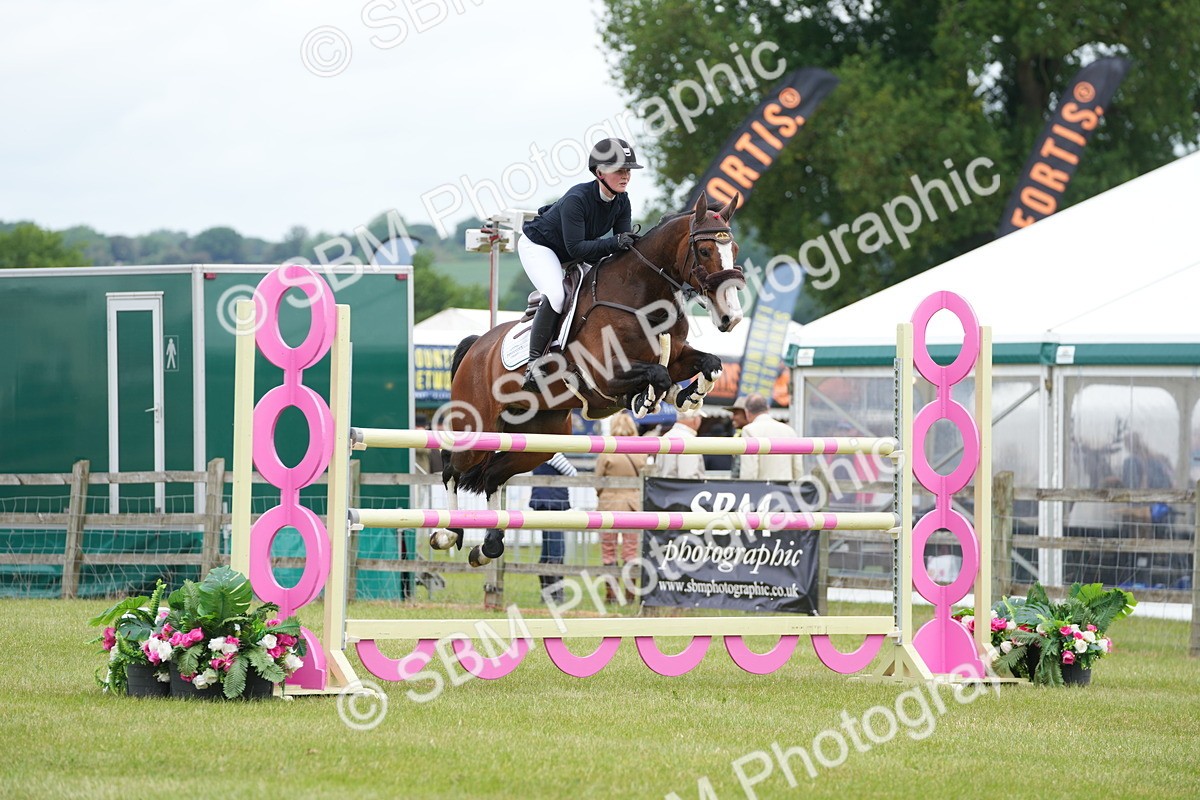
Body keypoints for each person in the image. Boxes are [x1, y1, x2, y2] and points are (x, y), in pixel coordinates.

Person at [518, 138, 643, 390]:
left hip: (577, 252)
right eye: (619, 170)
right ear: (599, 172)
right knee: (556, 295)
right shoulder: (577, 199)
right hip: (541, 247)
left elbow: (620, 249)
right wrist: (615, 243)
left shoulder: (622, 202)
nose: (626, 175)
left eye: (628, 170)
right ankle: (534, 364)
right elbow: (578, 248)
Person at [594, 411, 646, 601]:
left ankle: (611, 593)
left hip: (609, 504)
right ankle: (631, 593)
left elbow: (598, 480)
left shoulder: (607, 449)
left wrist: (603, 494)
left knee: (608, 550)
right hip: (632, 505)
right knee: (631, 551)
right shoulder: (640, 449)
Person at [529, 453, 577, 603]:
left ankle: (547, 592)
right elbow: (572, 472)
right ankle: (556, 593)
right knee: (556, 549)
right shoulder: (553, 453)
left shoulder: (537, 451)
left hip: (542, 501)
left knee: (548, 548)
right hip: (554, 503)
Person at [738, 394, 804, 481]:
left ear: (747, 412)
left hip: (763, 490)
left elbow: (749, 470)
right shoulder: (789, 431)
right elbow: (797, 467)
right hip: (786, 490)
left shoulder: (749, 430)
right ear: (768, 408)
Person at [653, 410, 706, 480]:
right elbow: (688, 476)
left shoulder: (666, 436)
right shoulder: (689, 440)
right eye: (700, 418)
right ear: (695, 419)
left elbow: (658, 470)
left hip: (664, 487)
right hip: (683, 489)